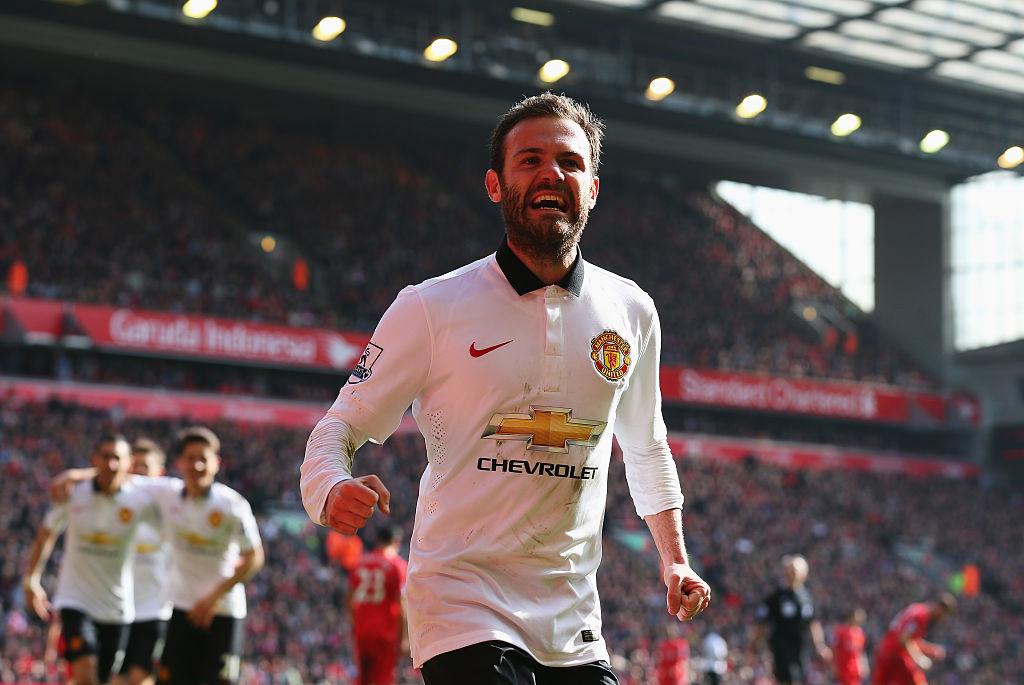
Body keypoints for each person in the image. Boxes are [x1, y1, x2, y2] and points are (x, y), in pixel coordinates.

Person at [301, 92, 710, 685]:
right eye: (530, 160)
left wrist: (674, 561)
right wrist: (328, 486)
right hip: (461, 601)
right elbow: (339, 426)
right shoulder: (431, 307)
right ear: (495, 185)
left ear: (593, 188)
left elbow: (646, 446)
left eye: (570, 162)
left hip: (572, 615)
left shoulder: (631, 311)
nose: (552, 173)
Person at [54, 427, 265, 685]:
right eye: (190, 458)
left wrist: (212, 598)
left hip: (223, 612)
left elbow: (255, 558)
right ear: (180, 462)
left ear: (216, 463)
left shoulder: (233, 505)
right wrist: (75, 475)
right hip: (181, 610)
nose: (197, 465)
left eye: (204, 458)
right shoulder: (166, 493)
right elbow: (117, 472)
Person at [23, 434, 158, 685]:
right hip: (76, 601)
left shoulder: (140, 499)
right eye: (105, 457)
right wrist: (31, 579)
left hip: (116, 607)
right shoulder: (74, 493)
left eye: (117, 458)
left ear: (128, 463)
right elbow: (46, 532)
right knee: (85, 673)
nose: (111, 464)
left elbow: (177, 493)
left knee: (102, 680)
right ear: (93, 459)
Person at [114, 439, 173, 685]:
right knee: (114, 679)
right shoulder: (114, 508)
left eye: (145, 467)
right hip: (116, 609)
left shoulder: (172, 509)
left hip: (155, 612)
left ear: (160, 473)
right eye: (133, 466)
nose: (138, 472)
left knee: (140, 678)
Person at [754, 555, 831, 685]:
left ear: (803, 574)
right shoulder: (777, 597)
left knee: (798, 677)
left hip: (800, 646)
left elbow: (813, 623)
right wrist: (755, 642)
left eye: (794, 571)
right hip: (781, 644)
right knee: (787, 677)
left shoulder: (807, 598)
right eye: (789, 571)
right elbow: (762, 622)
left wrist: (820, 645)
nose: (791, 574)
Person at [349, 526, 408, 685]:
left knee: (363, 679)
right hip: (385, 632)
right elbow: (402, 604)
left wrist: (356, 623)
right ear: (396, 542)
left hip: (362, 631)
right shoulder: (397, 565)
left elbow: (349, 598)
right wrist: (403, 637)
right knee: (383, 679)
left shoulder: (360, 563)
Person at [872, 595, 955, 685]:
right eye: (943, 615)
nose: (942, 619)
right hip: (896, 656)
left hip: (886, 652)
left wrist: (930, 649)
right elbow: (903, 639)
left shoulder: (916, 608)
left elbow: (911, 640)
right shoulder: (921, 615)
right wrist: (920, 658)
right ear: (940, 608)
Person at [833, 608, 868, 685]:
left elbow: (861, 652)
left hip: (855, 670)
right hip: (843, 669)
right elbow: (835, 649)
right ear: (851, 617)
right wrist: (834, 666)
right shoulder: (841, 631)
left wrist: (864, 665)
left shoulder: (860, 633)